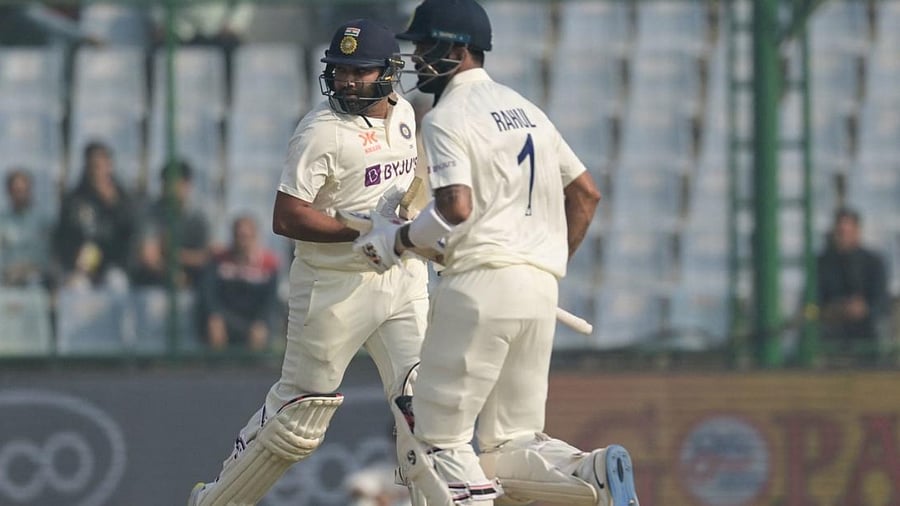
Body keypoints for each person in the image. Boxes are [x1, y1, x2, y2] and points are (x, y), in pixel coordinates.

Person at [353, 0, 639, 504]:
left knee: (436, 444)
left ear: (459, 49)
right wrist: (543, 261)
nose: (418, 57)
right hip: (537, 288)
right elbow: (586, 194)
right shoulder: (528, 109)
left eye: (426, 46)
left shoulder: (445, 118)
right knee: (512, 443)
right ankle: (591, 474)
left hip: (480, 288)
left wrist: (394, 241)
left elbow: (455, 209)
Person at [188, 18, 426, 506]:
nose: (345, 81)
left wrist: (411, 226)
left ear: (388, 73)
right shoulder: (320, 132)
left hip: (401, 278)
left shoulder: (405, 114)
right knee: (301, 417)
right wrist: (358, 230)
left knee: (425, 404)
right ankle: (215, 501)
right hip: (334, 287)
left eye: (358, 72)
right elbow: (287, 216)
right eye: (339, 71)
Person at [55, 141, 137, 290]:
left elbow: (130, 234)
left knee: (117, 284)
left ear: (110, 166)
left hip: (113, 266)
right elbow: (63, 236)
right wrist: (75, 261)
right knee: (77, 287)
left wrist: (113, 204)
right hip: (80, 268)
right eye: (94, 166)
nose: (98, 171)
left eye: (103, 165)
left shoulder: (123, 198)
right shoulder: (75, 199)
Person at [198, 215, 279, 351]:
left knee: (260, 331)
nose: (242, 242)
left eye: (246, 237)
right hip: (226, 317)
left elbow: (270, 301)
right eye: (239, 236)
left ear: (255, 237)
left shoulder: (268, 264)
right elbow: (208, 294)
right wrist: (215, 315)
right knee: (214, 325)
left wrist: (261, 321)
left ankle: (256, 369)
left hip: (253, 319)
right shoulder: (219, 261)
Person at [817, 207, 888, 358]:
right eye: (840, 232)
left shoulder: (873, 262)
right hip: (833, 326)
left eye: (846, 232)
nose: (842, 237)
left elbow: (881, 300)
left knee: (878, 329)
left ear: (857, 231)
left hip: (866, 326)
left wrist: (864, 309)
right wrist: (838, 308)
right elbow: (814, 301)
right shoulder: (822, 263)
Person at [130, 161, 210, 288]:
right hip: (154, 278)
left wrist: (175, 254)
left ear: (187, 185)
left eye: (177, 183)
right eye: (166, 183)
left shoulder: (198, 217)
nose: (171, 189)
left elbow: (205, 256)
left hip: (191, 277)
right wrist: (170, 273)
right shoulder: (150, 214)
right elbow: (148, 256)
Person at [0, 169, 53, 287]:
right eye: (16, 190)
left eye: (24, 190)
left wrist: (27, 268)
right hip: (8, 280)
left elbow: (48, 254)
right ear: (9, 192)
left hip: (37, 280)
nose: (20, 195)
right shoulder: (3, 220)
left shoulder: (43, 220)